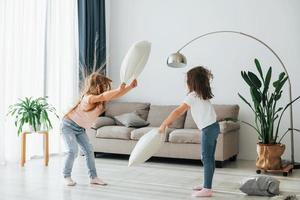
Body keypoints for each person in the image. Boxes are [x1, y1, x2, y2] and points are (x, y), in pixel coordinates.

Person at [61, 72, 137, 186]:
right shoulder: (88, 98)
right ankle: (66, 176)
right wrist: (117, 89)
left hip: (80, 129)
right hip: (68, 125)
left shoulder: (101, 100)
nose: (102, 88)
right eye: (100, 85)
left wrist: (130, 87)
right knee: (73, 151)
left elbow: (116, 95)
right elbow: (102, 96)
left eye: (103, 86)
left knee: (89, 151)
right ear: (94, 86)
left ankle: (93, 177)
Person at [158, 66, 219, 197]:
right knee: (209, 158)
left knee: (206, 158)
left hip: (208, 129)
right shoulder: (203, 95)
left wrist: (164, 123)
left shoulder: (193, 96)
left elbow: (178, 111)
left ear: (192, 82)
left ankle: (207, 189)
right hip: (214, 127)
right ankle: (206, 185)